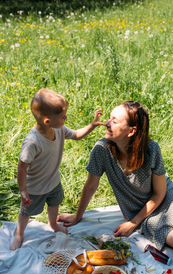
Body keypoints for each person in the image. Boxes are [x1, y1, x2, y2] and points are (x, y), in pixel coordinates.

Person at [57, 101, 173, 256]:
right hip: (139, 212)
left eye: (114, 121)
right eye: (109, 118)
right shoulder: (101, 150)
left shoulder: (151, 150)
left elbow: (160, 193)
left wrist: (133, 223)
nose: (106, 123)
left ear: (131, 131)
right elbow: (90, 186)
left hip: (167, 200)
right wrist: (78, 216)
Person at [10, 88, 104, 250]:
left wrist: (92, 125)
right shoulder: (32, 142)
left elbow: (76, 135)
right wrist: (23, 190)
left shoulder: (59, 129)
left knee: (54, 204)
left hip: (53, 182)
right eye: (62, 116)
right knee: (26, 212)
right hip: (35, 188)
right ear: (47, 121)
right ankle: (19, 234)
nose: (66, 118)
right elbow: (22, 167)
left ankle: (52, 224)